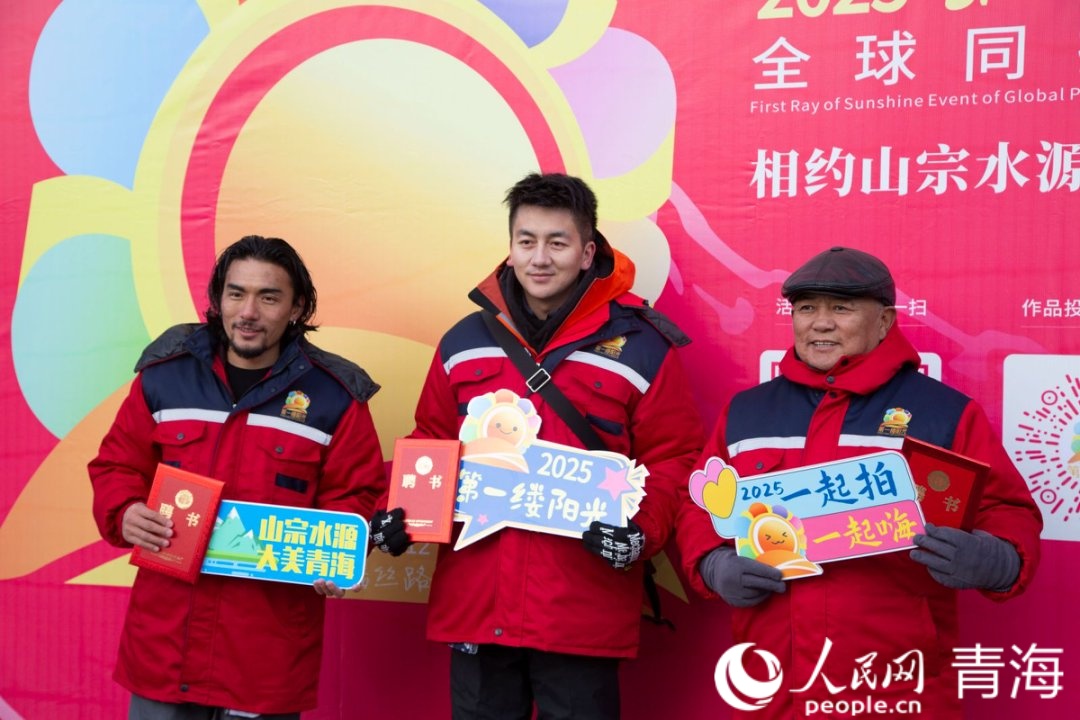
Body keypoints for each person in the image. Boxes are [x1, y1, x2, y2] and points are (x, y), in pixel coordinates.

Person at [384, 172, 704, 719]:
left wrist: (641, 532)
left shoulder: (643, 346)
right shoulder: (464, 341)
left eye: (557, 243)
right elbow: (431, 441)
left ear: (587, 252)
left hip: (581, 609)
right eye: (526, 241)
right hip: (478, 605)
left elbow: (675, 458)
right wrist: (401, 512)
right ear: (510, 248)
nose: (539, 258)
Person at [676, 246, 1043, 718]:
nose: (820, 323)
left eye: (841, 308)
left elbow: (1008, 511)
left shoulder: (943, 413)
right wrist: (713, 564)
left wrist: (994, 559)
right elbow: (700, 505)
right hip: (774, 687)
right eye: (806, 308)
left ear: (885, 321)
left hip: (896, 687)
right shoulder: (748, 412)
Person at [89, 235, 387, 719]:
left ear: (297, 307)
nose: (248, 312)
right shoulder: (164, 378)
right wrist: (124, 511)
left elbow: (357, 493)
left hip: (266, 652)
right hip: (166, 643)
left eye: (268, 297)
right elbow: (116, 465)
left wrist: (339, 551)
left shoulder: (335, 396)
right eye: (236, 293)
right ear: (218, 298)